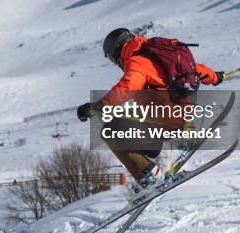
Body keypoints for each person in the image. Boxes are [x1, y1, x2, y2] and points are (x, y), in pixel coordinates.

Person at [77, 28, 224, 203]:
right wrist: (216, 77)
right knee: (125, 119)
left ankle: (151, 172)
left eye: (111, 59)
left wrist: (100, 105)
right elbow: (195, 69)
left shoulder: (137, 61)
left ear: (116, 51)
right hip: (179, 118)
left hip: (168, 122)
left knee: (111, 130)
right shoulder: (156, 55)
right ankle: (162, 159)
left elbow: (129, 85)